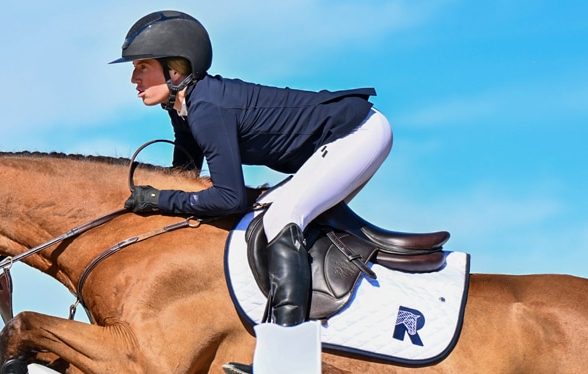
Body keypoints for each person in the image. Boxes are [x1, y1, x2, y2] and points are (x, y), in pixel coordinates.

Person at [112, 10, 393, 328]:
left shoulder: (207, 110)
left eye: (142, 67)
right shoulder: (183, 108)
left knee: (282, 217)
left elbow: (229, 198)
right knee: (274, 213)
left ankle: (288, 351)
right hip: (342, 139)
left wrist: (159, 200)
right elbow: (185, 177)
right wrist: (151, 199)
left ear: (176, 71)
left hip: (357, 134)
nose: (134, 79)